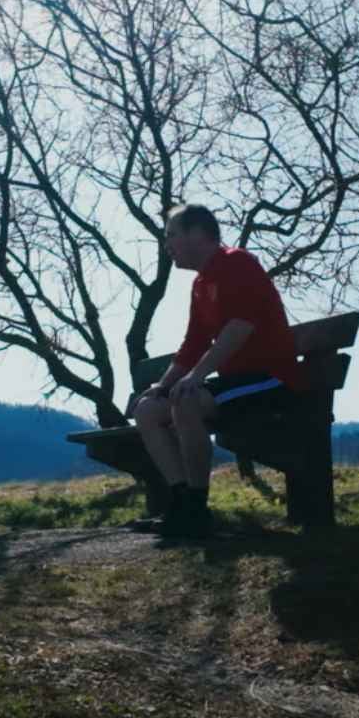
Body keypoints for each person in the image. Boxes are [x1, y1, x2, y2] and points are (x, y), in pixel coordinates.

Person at [130, 204, 302, 538]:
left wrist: (195, 378)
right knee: (148, 410)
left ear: (197, 234)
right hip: (234, 383)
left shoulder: (237, 263)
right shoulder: (201, 283)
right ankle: (180, 502)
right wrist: (163, 386)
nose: (167, 245)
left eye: (172, 235)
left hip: (270, 379)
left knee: (187, 401)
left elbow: (239, 327)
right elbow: (194, 342)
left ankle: (196, 508)